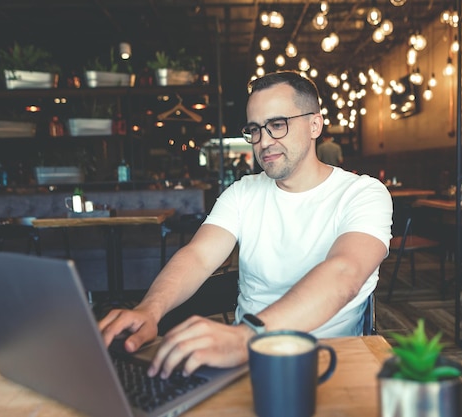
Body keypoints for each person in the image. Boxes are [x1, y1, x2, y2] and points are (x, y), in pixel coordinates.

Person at [99, 70, 392, 380]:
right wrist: (150, 309)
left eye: (277, 125)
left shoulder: (362, 193)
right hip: (248, 361)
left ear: (315, 124)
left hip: (331, 361)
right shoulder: (243, 192)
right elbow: (198, 255)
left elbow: (344, 274)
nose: (264, 142)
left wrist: (247, 335)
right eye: (255, 129)